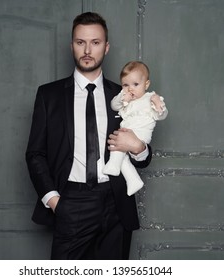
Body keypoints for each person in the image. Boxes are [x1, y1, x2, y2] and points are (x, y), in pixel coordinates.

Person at [25, 12, 152, 260]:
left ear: (106, 48)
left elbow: (144, 157)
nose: (87, 49)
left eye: (95, 42)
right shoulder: (48, 95)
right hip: (71, 200)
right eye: (80, 42)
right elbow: (35, 154)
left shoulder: (125, 96)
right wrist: (54, 201)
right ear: (72, 45)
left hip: (116, 203)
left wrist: (138, 146)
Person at [103, 61, 168, 195]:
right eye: (126, 85)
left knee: (117, 146)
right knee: (122, 154)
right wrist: (122, 96)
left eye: (135, 84)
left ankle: (114, 165)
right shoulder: (126, 100)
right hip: (126, 133)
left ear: (146, 84)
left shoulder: (150, 98)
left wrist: (158, 105)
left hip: (140, 134)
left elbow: (162, 115)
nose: (130, 89)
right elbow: (114, 106)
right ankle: (133, 180)